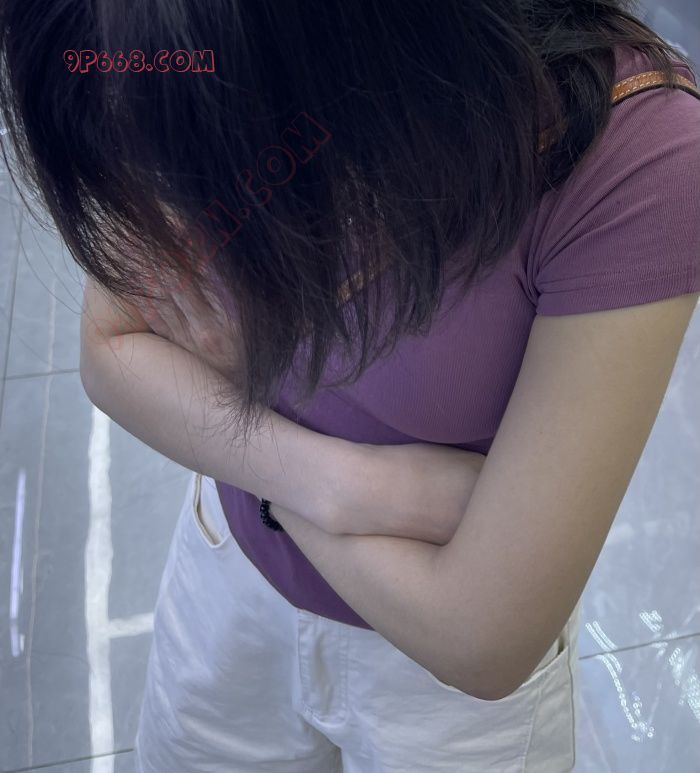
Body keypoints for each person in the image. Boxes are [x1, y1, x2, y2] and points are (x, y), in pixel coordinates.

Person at [2, 2, 699, 771]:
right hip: (230, 568)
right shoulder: (176, 60)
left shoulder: (634, 149)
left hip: (438, 698)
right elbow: (110, 348)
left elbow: (481, 638)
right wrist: (346, 489)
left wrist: (262, 476)